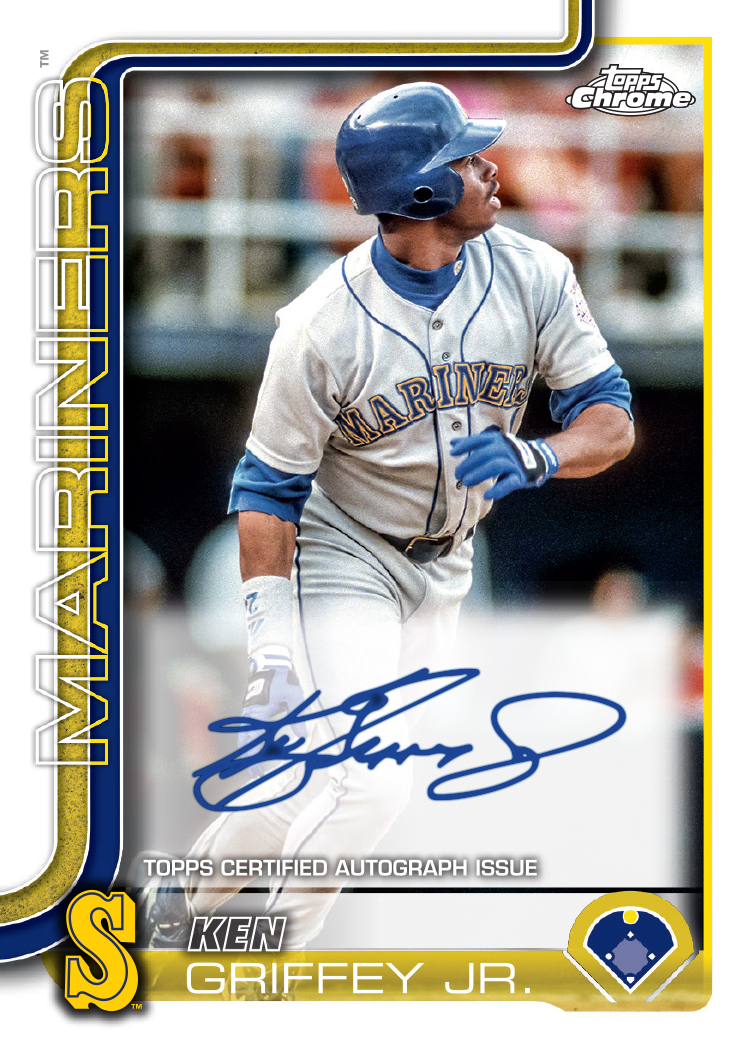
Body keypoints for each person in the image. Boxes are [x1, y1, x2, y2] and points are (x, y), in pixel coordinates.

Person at [139, 81, 635, 951]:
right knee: (373, 783)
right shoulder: (321, 321)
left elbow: (611, 418)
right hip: (346, 549)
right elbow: (265, 491)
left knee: (301, 786)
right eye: (467, 158)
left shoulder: (535, 273)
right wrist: (272, 650)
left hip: (450, 560)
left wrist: (542, 454)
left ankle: (170, 913)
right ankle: (268, 954)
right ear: (422, 191)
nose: (492, 168)